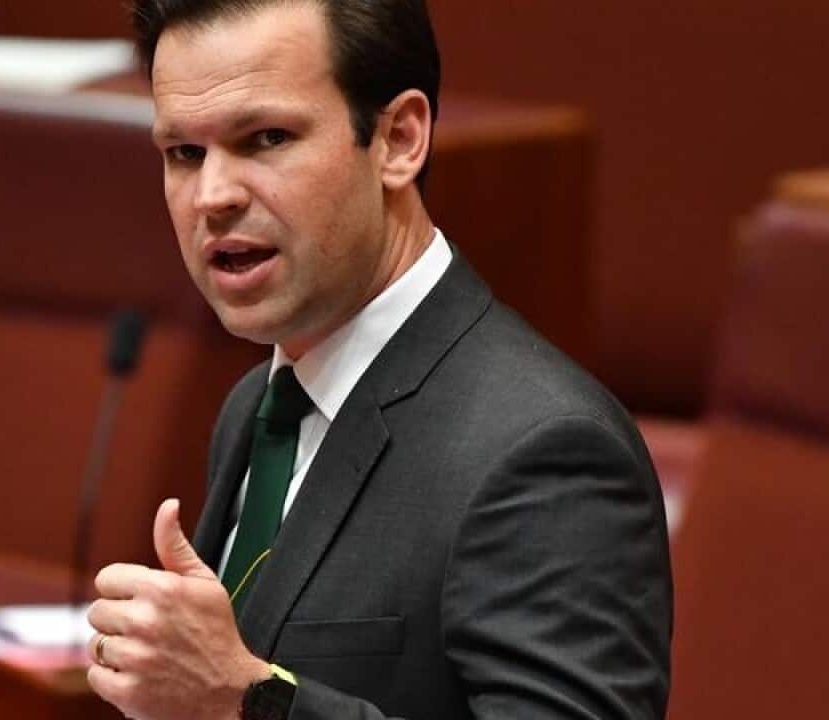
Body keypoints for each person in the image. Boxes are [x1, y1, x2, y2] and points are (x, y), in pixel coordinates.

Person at [84, 1, 673, 719]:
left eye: (266, 138)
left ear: (399, 139)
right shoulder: (259, 406)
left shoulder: (544, 449)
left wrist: (246, 702)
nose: (213, 196)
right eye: (184, 153)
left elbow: (238, 691)